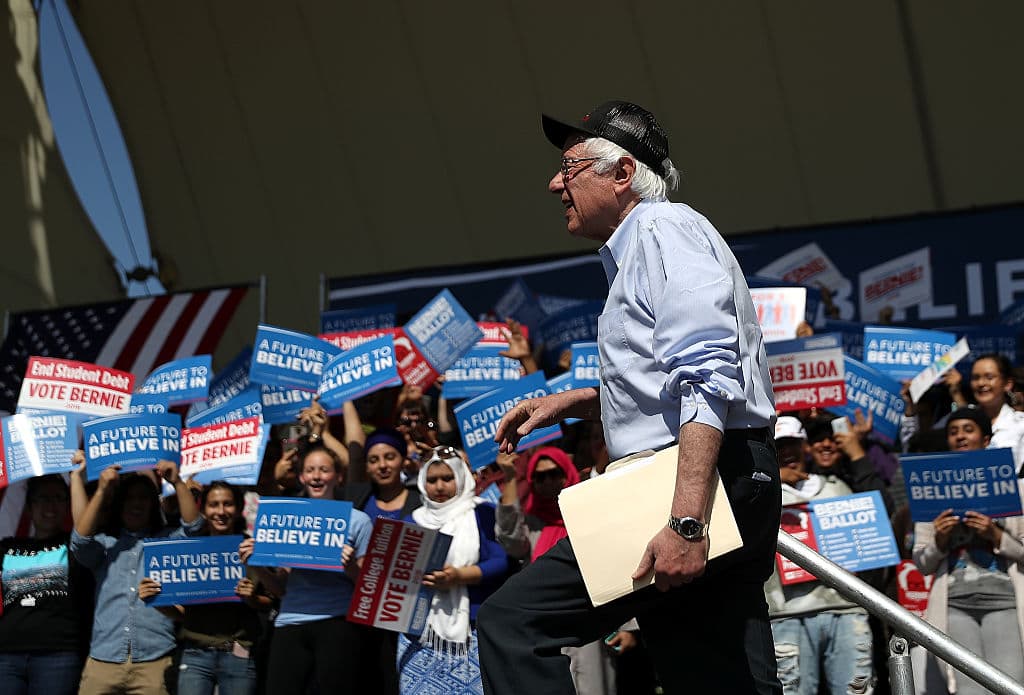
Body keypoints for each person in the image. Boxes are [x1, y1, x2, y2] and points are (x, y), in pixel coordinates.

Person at [477, 100, 782, 695]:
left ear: (622, 174)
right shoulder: (648, 242)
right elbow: (671, 377)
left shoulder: (664, 229)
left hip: (692, 483)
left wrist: (688, 522)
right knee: (718, 680)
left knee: (514, 623)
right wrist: (581, 401)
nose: (554, 183)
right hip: (712, 476)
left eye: (570, 167)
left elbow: (706, 377)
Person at [239, 443, 373, 694]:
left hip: (338, 623)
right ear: (301, 477)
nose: (316, 476)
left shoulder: (359, 521)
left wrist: (349, 566)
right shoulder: (286, 519)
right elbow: (280, 589)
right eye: (310, 470)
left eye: (324, 470)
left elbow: (368, 589)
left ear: (339, 476)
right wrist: (255, 566)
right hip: (290, 623)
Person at [912, 407, 1024, 695]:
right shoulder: (931, 489)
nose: (960, 436)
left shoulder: (1016, 487)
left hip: (1005, 602)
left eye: (968, 430)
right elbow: (922, 562)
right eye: (953, 431)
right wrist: (939, 539)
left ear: (986, 439)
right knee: (969, 689)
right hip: (955, 605)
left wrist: (996, 535)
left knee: (1009, 686)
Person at [70, 456, 203, 695]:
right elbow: (80, 541)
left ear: (154, 504)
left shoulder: (167, 541)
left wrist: (178, 483)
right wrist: (101, 489)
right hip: (104, 660)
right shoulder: (104, 545)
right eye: (129, 498)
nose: (136, 504)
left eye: (144, 498)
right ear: (119, 505)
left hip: (155, 661)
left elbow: (195, 529)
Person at [765, 416, 875, 695]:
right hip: (785, 613)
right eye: (780, 445)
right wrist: (773, 482)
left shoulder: (837, 487)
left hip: (846, 609)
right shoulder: (760, 495)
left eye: (793, 444)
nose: (787, 452)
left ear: (806, 447)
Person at [138, 481, 269, 695]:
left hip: (239, 652)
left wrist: (252, 598)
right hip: (195, 654)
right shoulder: (189, 552)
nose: (220, 511)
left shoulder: (251, 549)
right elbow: (183, 615)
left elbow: (270, 602)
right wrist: (156, 601)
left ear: (238, 509)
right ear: (204, 510)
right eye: (213, 504)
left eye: (227, 504)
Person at [397, 446, 507, 695]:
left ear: (462, 477)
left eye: (447, 478)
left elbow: (500, 561)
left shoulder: (482, 513)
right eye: (432, 480)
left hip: (473, 627)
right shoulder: (412, 521)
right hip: (420, 632)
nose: (439, 487)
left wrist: (458, 576)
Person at [0, 474, 90, 695]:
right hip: (7, 656)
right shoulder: (7, 547)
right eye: (43, 498)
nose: (51, 505)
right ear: (30, 507)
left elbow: (86, 526)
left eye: (59, 498)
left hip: (58, 657)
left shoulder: (77, 548)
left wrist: (77, 478)